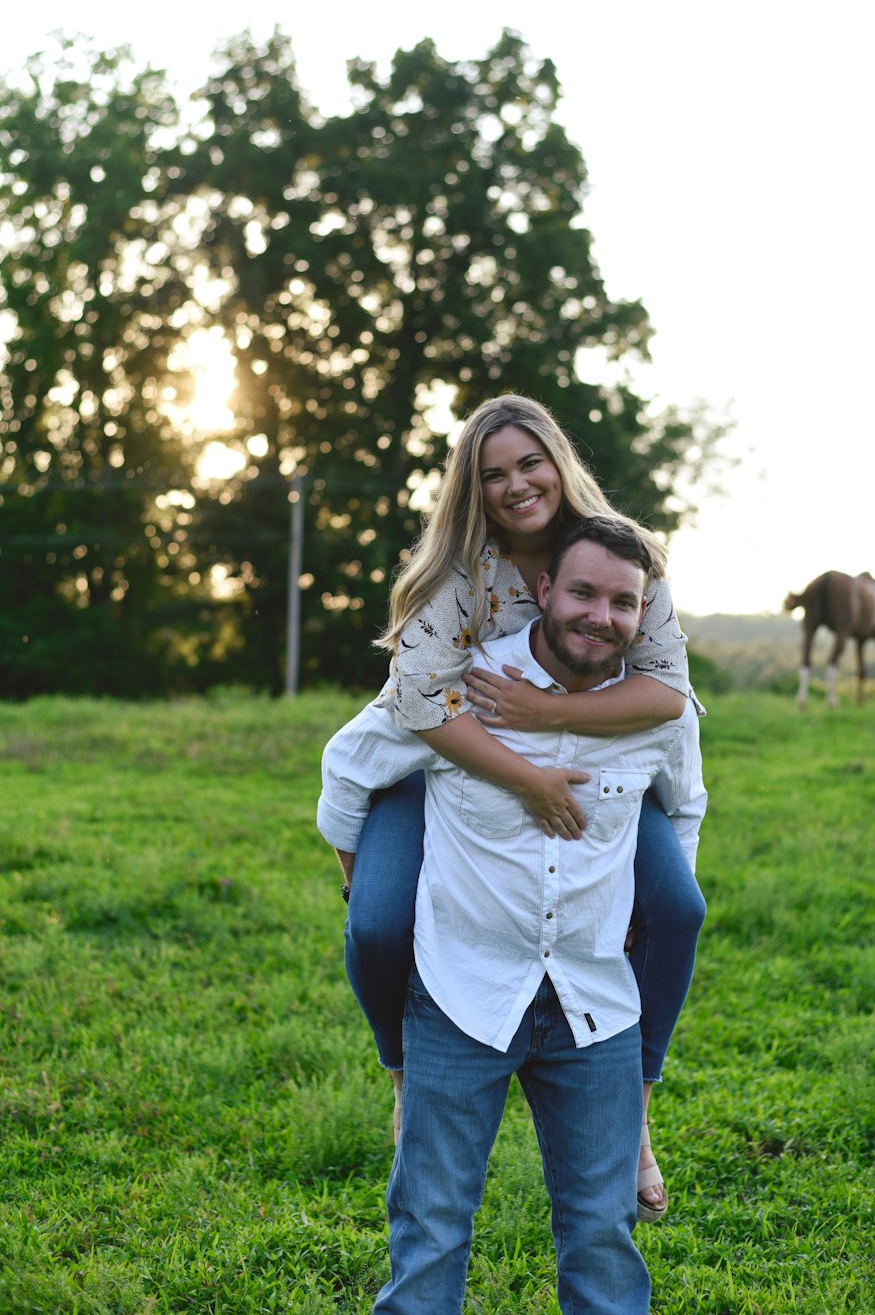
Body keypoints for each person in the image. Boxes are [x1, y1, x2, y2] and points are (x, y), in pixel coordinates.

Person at [319, 395, 706, 1217]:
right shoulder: (462, 575)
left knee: (676, 905)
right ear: (472, 487)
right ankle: (403, 1070)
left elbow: (668, 696)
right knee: (379, 923)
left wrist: (552, 716)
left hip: (590, 764)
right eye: (493, 473)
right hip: (441, 770)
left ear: (559, 462)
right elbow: (419, 704)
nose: (516, 484)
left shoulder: (620, 557)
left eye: (530, 462)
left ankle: (634, 1112)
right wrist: (523, 776)